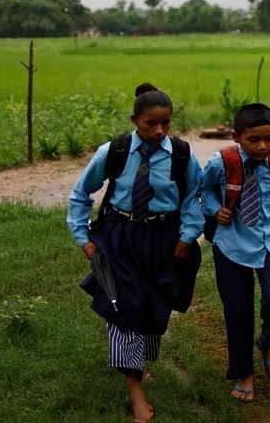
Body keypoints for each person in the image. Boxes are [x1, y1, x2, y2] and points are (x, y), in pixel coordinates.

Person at [67, 83, 204, 423]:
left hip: (163, 237)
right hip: (121, 236)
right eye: (150, 124)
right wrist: (82, 236)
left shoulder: (183, 155)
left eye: (166, 123)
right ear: (135, 120)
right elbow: (81, 193)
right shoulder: (114, 152)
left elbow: (193, 199)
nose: (159, 131)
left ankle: (138, 364)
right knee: (124, 306)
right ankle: (134, 388)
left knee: (154, 303)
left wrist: (187, 238)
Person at [200, 103, 270, 403]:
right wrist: (214, 209)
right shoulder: (221, 162)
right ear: (236, 136)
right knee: (237, 309)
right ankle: (244, 372)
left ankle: (267, 341)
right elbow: (204, 190)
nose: (262, 146)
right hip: (232, 242)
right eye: (253, 140)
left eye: (269, 138)